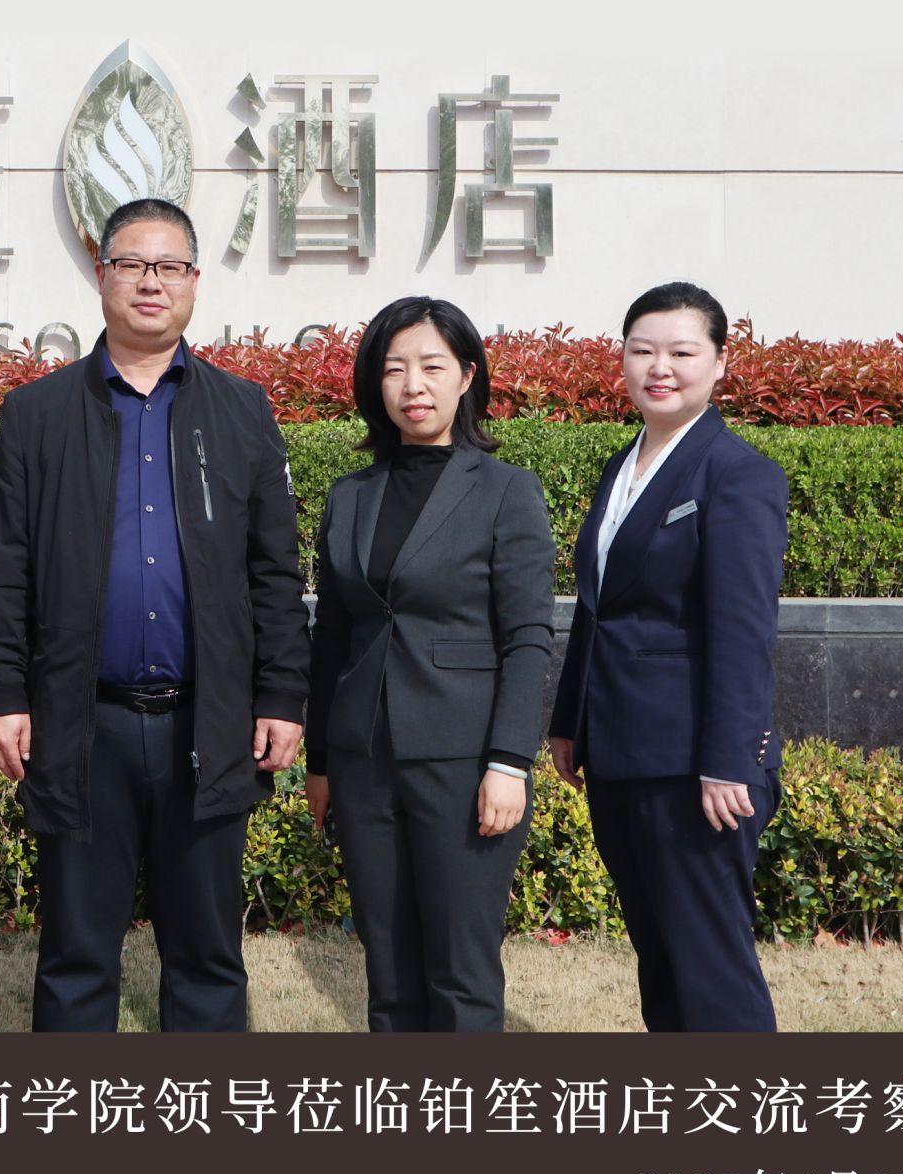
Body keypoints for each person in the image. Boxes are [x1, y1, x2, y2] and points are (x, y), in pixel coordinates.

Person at [0, 197, 310, 1033]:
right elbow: (5, 572)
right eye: (131, 264)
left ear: (193, 280)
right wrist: (2, 694)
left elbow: (275, 572)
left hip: (209, 721)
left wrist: (282, 696)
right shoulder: (37, 414)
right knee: (77, 954)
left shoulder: (242, 409)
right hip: (84, 724)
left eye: (169, 266)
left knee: (207, 954)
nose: (150, 282)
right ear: (102, 276)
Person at [303, 296, 555, 1032]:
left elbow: (527, 636)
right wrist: (321, 760)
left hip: (464, 760)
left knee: (460, 971)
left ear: (467, 375)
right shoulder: (351, 495)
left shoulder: (506, 490)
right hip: (363, 760)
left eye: (432, 367)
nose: (413, 385)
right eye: (394, 369)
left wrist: (509, 761)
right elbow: (333, 635)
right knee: (388, 971)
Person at [547, 281, 788, 1032]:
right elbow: (597, 605)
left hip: (695, 767)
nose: (660, 368)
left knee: (711, 967)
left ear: (719, 364)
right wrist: (569, 720)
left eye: (682, 352)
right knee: (661, 961)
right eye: (642, 350)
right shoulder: (622, 468)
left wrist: (727, 760)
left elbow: (742, 630)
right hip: (619, 752)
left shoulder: (737, 472)